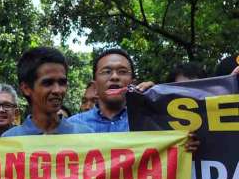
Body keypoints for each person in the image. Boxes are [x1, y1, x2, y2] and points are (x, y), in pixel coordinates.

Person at [67, 48, 199, 151]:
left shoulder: (155, 121)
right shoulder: (71, 128)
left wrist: (157, 103)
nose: (114, 77)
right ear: (95, 86)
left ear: (133, 83)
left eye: (122, 72)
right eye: (106, 71)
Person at [1, 47, 93, 137]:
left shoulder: (85, 135)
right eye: (48, 83)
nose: (57, 90)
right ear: (26, 88)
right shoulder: (9, 140)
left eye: (62, 82)